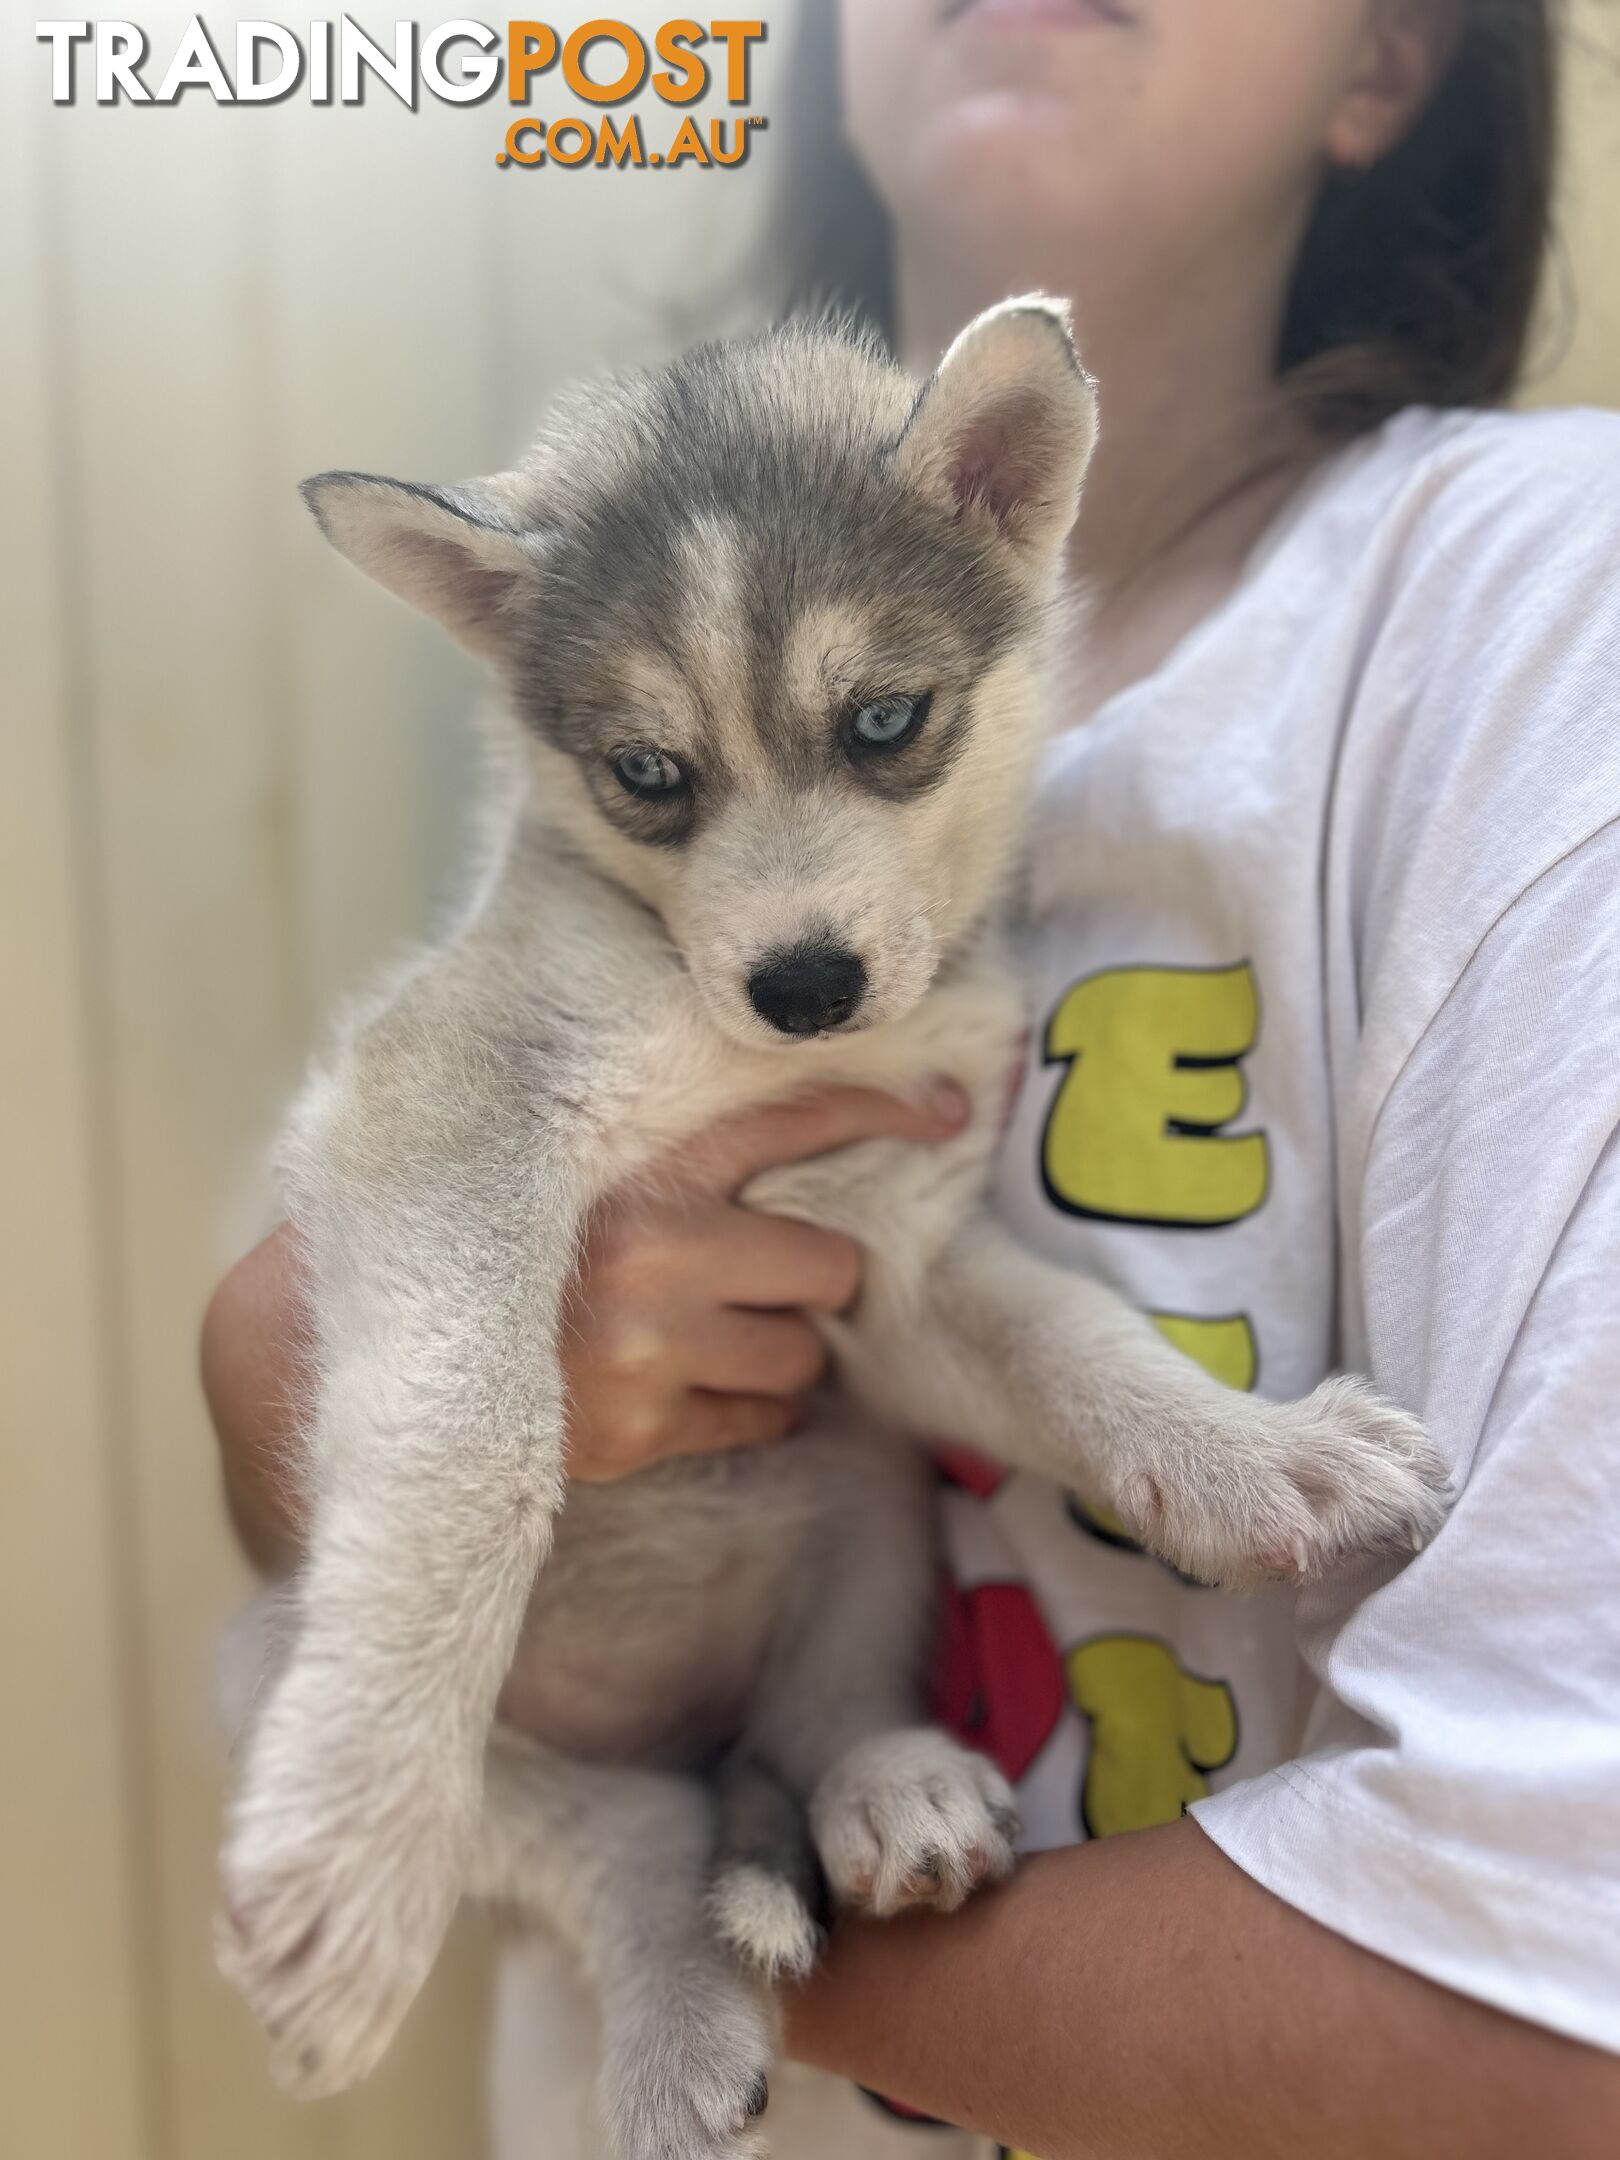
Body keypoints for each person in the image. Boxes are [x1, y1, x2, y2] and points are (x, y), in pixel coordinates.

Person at [203, 2, 1620, 2153]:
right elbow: (402, 1385)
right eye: (666, 782)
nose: (773, 919)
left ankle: (757, 1830)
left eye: (880, 733)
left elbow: (1538, 2003)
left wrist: (1182, 1442)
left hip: (867, 1864)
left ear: (1396, 63)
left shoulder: (1529, 622)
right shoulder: (608, 751)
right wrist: (263, 1376)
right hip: (588, 1937)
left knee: (861, 1500)